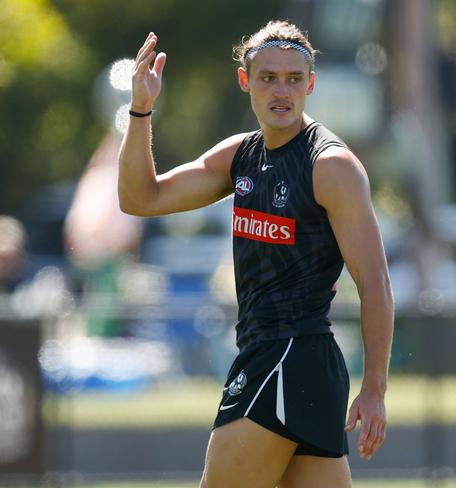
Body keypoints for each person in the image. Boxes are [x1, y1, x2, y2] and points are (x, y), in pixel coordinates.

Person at [118, 20, 394, 488]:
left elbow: (375, 284)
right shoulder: (240, 156)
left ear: (311, 83)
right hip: (285, 362)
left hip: (288, 356)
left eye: (293, 78)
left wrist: (375, 389)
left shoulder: (330, 165)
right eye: (268, 77)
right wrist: (141, 111)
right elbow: (140, 198)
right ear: (246, 81)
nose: (281, 90)